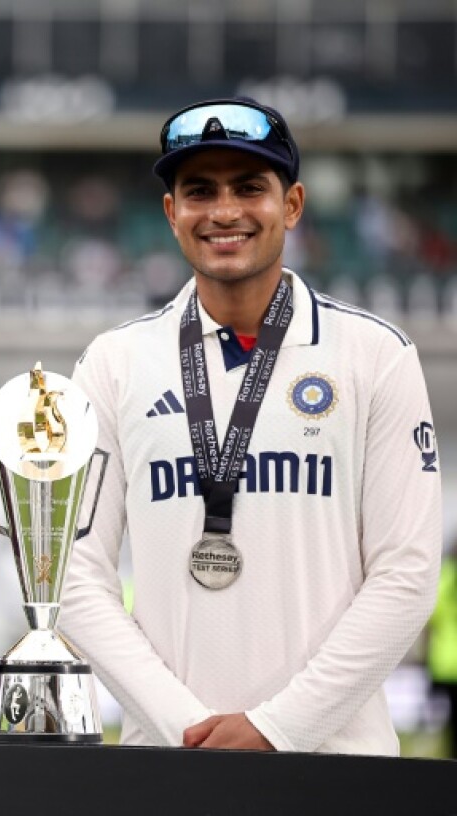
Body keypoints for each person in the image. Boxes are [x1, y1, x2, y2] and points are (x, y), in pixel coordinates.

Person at [59, 97, 441, 755]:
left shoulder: (376, 354)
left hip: (335, 768)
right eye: (199, 191)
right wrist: (186, 727)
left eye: (249, 188)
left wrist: (279, 728)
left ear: (291, 205)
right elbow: (71, 575)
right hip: (167, 764)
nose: (224, 211)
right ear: (171, 212)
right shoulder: (115, 363)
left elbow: (406, 575)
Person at [426, 542, 457, 758]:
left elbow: (430, 617)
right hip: (447, 665)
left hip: (445, 664)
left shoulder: (444, 578)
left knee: (451, 722)